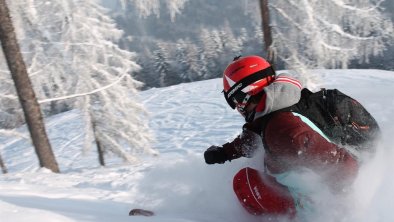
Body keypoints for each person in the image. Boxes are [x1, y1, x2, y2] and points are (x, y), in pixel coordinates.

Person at [203, 55, 380, 218]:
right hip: (319, 170)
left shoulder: (283, 130)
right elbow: (254, 135)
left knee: (245, 182)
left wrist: (340, 210)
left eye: (233, 100)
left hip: (317, 205)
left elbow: (343, 166)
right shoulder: (277, 103)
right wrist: (224, 153)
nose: (236, 107)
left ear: (246, 94)